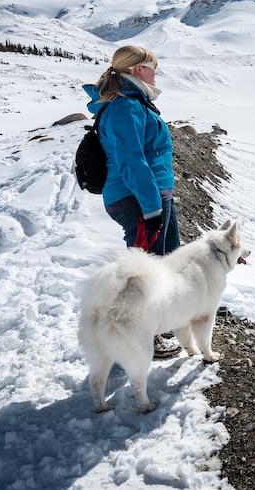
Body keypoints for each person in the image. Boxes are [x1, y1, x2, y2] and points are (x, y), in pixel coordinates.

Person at [83, 45, 182, 358]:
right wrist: (151, 207)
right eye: (152, 66)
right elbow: (131, 161)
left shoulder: (135, 101)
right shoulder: (126, 106)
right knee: (144, 271)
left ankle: (169, 318)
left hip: (151, 194)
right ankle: (142, 337)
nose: (156, 72)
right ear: (138, 70)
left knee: (165, 259)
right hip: (138, 199)